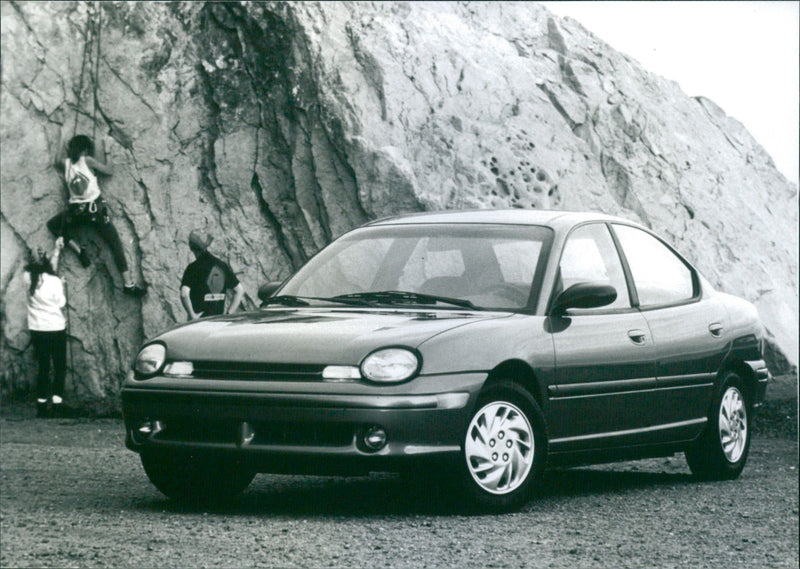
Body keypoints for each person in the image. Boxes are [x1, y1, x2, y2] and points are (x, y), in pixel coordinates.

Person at [47, 134, 146, 297]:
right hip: (95, 212)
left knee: (53, 225)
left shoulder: (66, 164)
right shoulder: (88, 161)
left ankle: (78, 249)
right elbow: (109, 170)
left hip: (76, 213)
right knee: (115, 244)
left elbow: (57, 158)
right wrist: (107, 151)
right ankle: (129, 284)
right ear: (85, 149)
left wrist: (61, 140)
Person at [24, 240, 68, 418]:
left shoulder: (27, 278)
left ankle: (41, 406)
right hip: (55, 328)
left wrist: (56, 252)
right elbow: (61, 303)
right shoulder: (54, 281)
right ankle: (57, 405)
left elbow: (45, 272)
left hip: (37, 328)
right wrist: (62, 285)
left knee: (43, 367)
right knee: (59, 366)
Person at [180, 230, 245, 320]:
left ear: (191, 247)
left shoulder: (193, 268)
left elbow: (184, 294)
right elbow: (239, 290)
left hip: (198, 323)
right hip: (218, 321)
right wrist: (228, 314)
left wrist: (192, 315)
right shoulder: (222, 266)